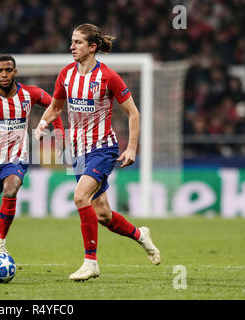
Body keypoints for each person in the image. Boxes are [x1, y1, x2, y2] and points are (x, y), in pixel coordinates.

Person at [34, 23, 161, 281]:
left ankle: (90, 262)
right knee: (102, 214)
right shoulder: (65, 75)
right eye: (71, 41)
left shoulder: (109, 77)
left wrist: (132, 148)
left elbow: (133, 113)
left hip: (103, 148)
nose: (72, 46)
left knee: (80, 197)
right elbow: (56, 107)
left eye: (78, 42)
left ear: (92, 47)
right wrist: (42, 123)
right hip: (77, 150)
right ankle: (141, 235)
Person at [0, 54, 64, 260]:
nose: (4, 74)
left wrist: (59, 132)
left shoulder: (30, 93)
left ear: (15, 72)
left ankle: (0, 242)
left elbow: (55, 106)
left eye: (8, 70)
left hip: (17, 157)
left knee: (11, 190)